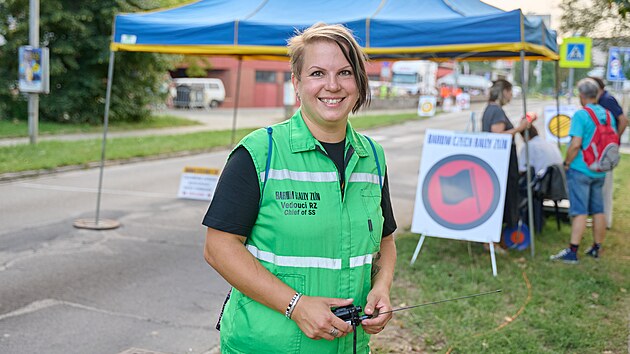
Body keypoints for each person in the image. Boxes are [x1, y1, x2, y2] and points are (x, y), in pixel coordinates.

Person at [202, 23, 397, 353]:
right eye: (318, 73)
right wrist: (295, 304)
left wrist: (382, 285)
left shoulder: (372, 157)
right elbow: (218, 247)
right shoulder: (260, 151)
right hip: (266, 345)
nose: (332, 85)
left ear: (359, 83)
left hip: (348, 345)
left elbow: (385, 240)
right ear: (297, 82)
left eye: (345, 73)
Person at [550, 78, 617, 263]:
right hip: (600, 169)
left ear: (581, 96)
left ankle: (573, 252)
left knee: (579, 211)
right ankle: (596, 248)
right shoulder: (608, 114)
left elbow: (576, 144)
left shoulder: (581, 115)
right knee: (598, 210)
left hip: (581, 168)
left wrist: (567, 162)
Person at [481, 79, 532, 249]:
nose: (511, 96)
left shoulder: (490, 109)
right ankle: (492, 242)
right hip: (501, 162)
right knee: (501, 200)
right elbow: (499, 136)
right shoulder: (496, 111)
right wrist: (519, 128)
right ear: (504, 92)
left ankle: (491, 240)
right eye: (510, 92)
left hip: (495, 161)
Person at [590, 77, 628, 229]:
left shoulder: (606, 100)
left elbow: (623, 120)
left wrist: (614, 141)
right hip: (605, 149)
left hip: (607, 150)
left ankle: (605, 221)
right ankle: (602, 219)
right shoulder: (605, 99)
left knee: (605, 186)